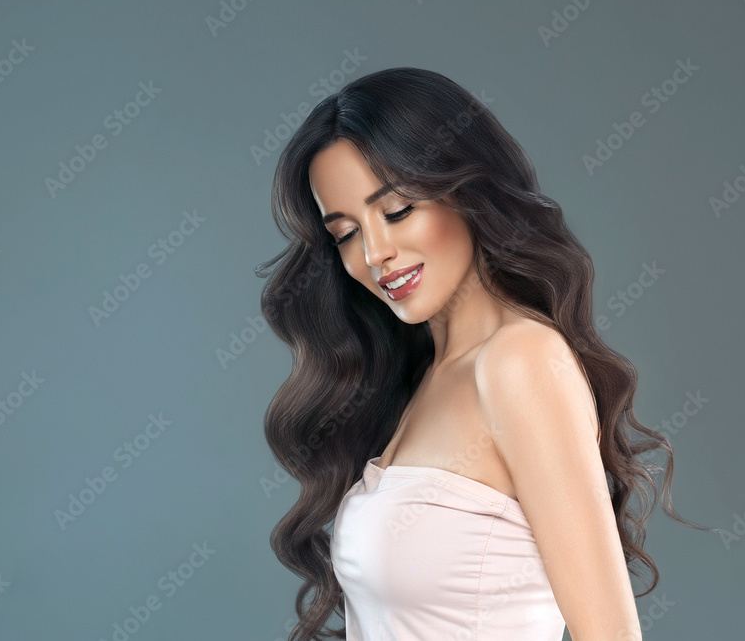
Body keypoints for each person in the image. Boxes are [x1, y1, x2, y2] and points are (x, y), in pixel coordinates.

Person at [255, 67, 711, 641]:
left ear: (466, 193)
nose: (374, 253)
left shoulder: (521, 362)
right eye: (346, 232)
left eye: (396, 211)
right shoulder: (424, 379)